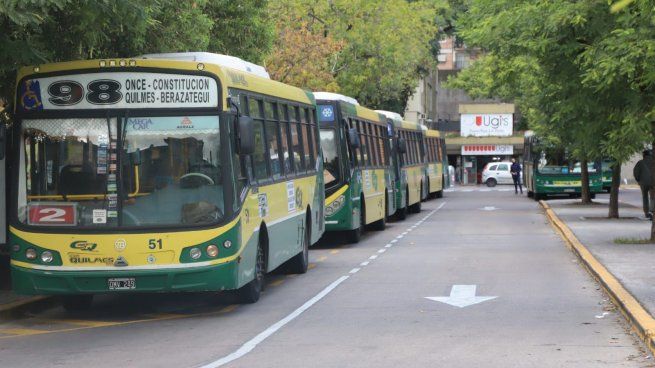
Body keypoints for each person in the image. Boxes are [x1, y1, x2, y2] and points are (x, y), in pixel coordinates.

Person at [633, 150, 655, 219]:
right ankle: (652, 210)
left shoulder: (640, 163)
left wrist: (638, 180)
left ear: (644, 155)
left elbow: (635, 172)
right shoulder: (653, 162)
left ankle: (646, 212)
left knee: (645, 196)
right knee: (653, 196)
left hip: (643, 183)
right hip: (653, 182)